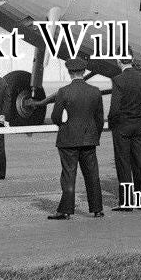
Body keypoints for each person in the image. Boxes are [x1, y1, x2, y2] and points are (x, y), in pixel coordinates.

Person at [48, 57, 105, 219]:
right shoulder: (95, 91)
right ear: (84, 71)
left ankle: (65, 210)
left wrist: (64, 127)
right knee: (92, 175)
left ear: (69, 72)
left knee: (69, 175)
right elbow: (99, 118)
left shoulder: (64, 91)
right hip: (89, 139)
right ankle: (97, 208)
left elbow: (56, 117)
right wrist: (95, 134)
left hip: (68, 139)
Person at [108, 56, 141, 209]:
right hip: (138, 125)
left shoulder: (118, 80)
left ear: (118, 62)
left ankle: (127, 202)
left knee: (123, 163)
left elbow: (115, 108)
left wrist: (112, 123)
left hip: (122, 126)